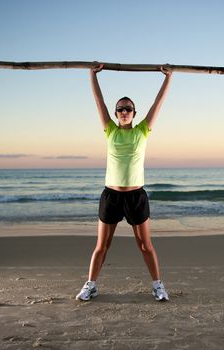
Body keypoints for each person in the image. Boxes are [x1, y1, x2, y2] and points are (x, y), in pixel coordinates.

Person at [76, 63, 173, 302]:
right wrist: (92, 75)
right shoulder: (110, 130)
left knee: (145, 245)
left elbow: (157, 104)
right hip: (111, 196)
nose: (124, 111)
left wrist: (168, 78)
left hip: (136, 196)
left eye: (128, 108)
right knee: (102, 246)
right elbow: (98, 101)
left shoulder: (142, 131)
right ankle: (91, 285)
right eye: (120, 108)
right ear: (116, 112)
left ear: (134, 113)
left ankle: (158, 285)